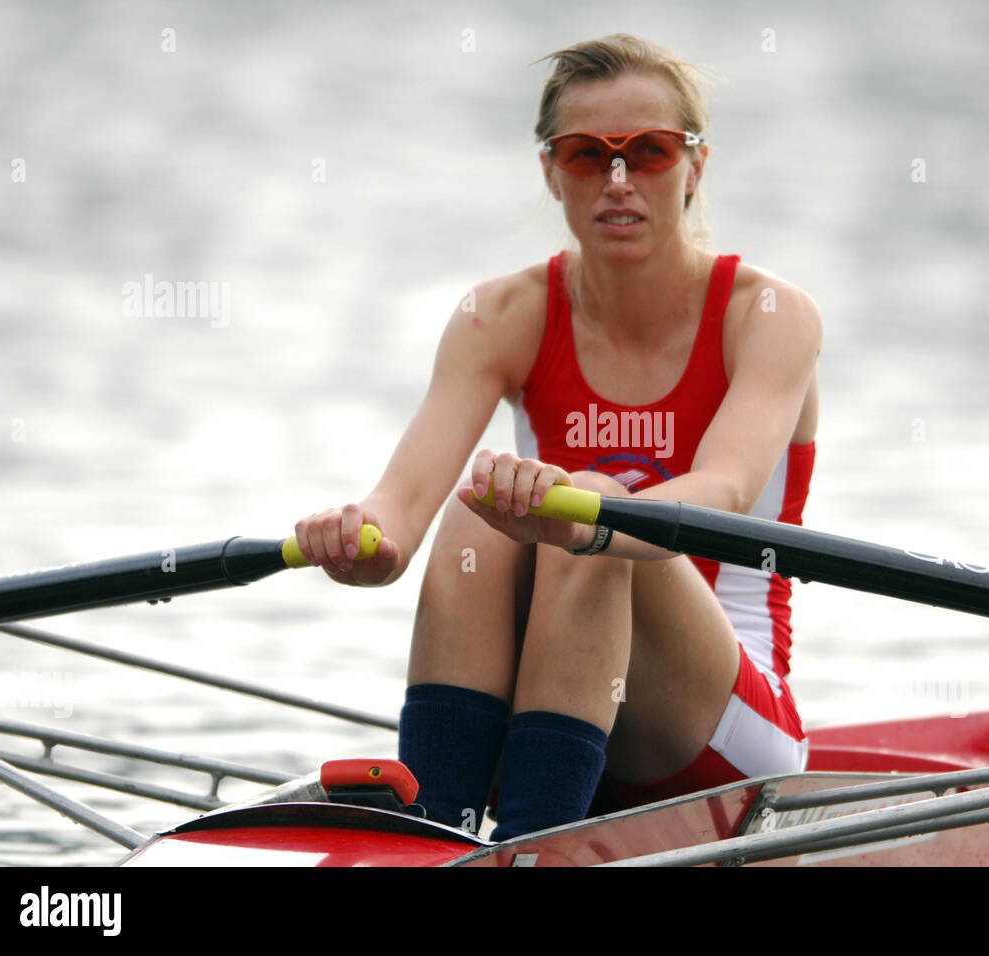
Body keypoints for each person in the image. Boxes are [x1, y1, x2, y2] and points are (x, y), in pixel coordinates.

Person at [293, 33, 821, 841]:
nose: (618, 180)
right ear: (550, 170)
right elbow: (397, 511)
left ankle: (527, 844)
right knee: (481, 505)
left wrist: (585, 519)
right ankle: (443, 830)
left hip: (728, 736)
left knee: (599, 514)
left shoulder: (769, 317)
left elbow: (723, 493)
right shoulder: (499, 316)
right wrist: (360, 543)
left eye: (648, 151)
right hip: (566, 699)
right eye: (586, 155)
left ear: (695, 167)